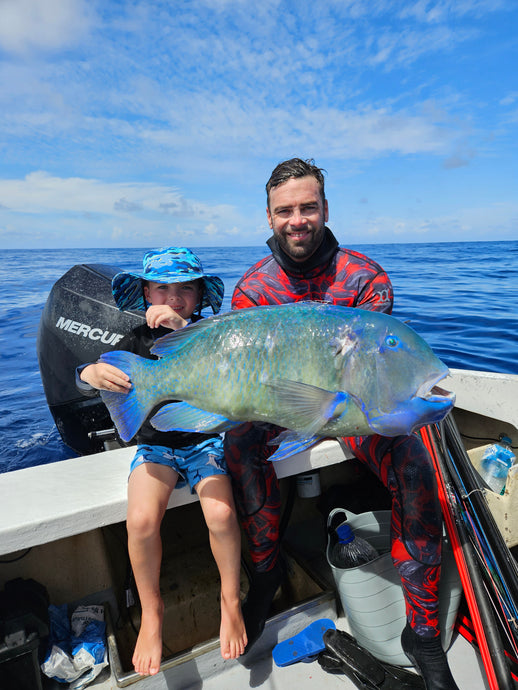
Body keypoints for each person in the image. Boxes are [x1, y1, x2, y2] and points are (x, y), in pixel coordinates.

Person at [224, 159, 459, 690]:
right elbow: (247, 378)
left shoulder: (365, 277)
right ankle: (265, 574)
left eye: (308, 207)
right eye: (285, 210)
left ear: (325, 209)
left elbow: (380, 379)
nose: (297, 219)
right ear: (269, 217)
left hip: (356, 412)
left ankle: (421, 631)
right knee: (238, 444)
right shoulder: (252, 290)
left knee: (416, 464)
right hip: (281, 408)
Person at [77, 247, 247, 676]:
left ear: (199, 295)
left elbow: (226, 368)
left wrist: (184, 330)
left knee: (222, 515)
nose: (174, 298)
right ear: (146, 293)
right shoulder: (134, 339)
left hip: (206, 442)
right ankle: (152, 613)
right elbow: (94, 370)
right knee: (140, 523)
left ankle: (230, 601)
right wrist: (91, 375)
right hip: (155, 448)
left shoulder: (209, 333)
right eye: (163, 289)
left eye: (185, 289)